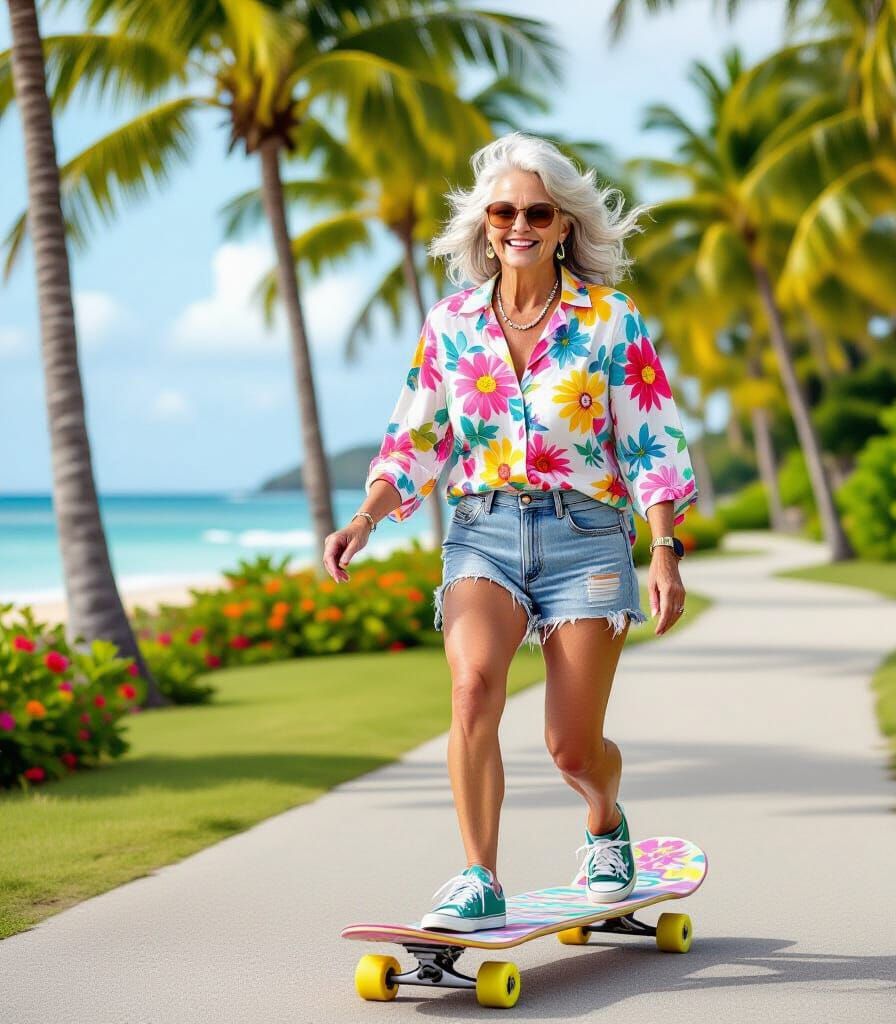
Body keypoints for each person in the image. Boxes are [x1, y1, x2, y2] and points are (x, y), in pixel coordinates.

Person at [322, 132, 697, 933]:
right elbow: (415, 443)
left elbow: (651, 440)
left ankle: (604, 823)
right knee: (470, 690)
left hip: (587, 536)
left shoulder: (609, 321)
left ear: (564, 225)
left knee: (571, 747)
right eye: (503, 211)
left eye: (536, 211)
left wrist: (663, 547)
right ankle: (478, 876)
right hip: (482, 531)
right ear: (485, 224)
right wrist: (364, 518)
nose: (518, 224)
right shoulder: (453, 322)